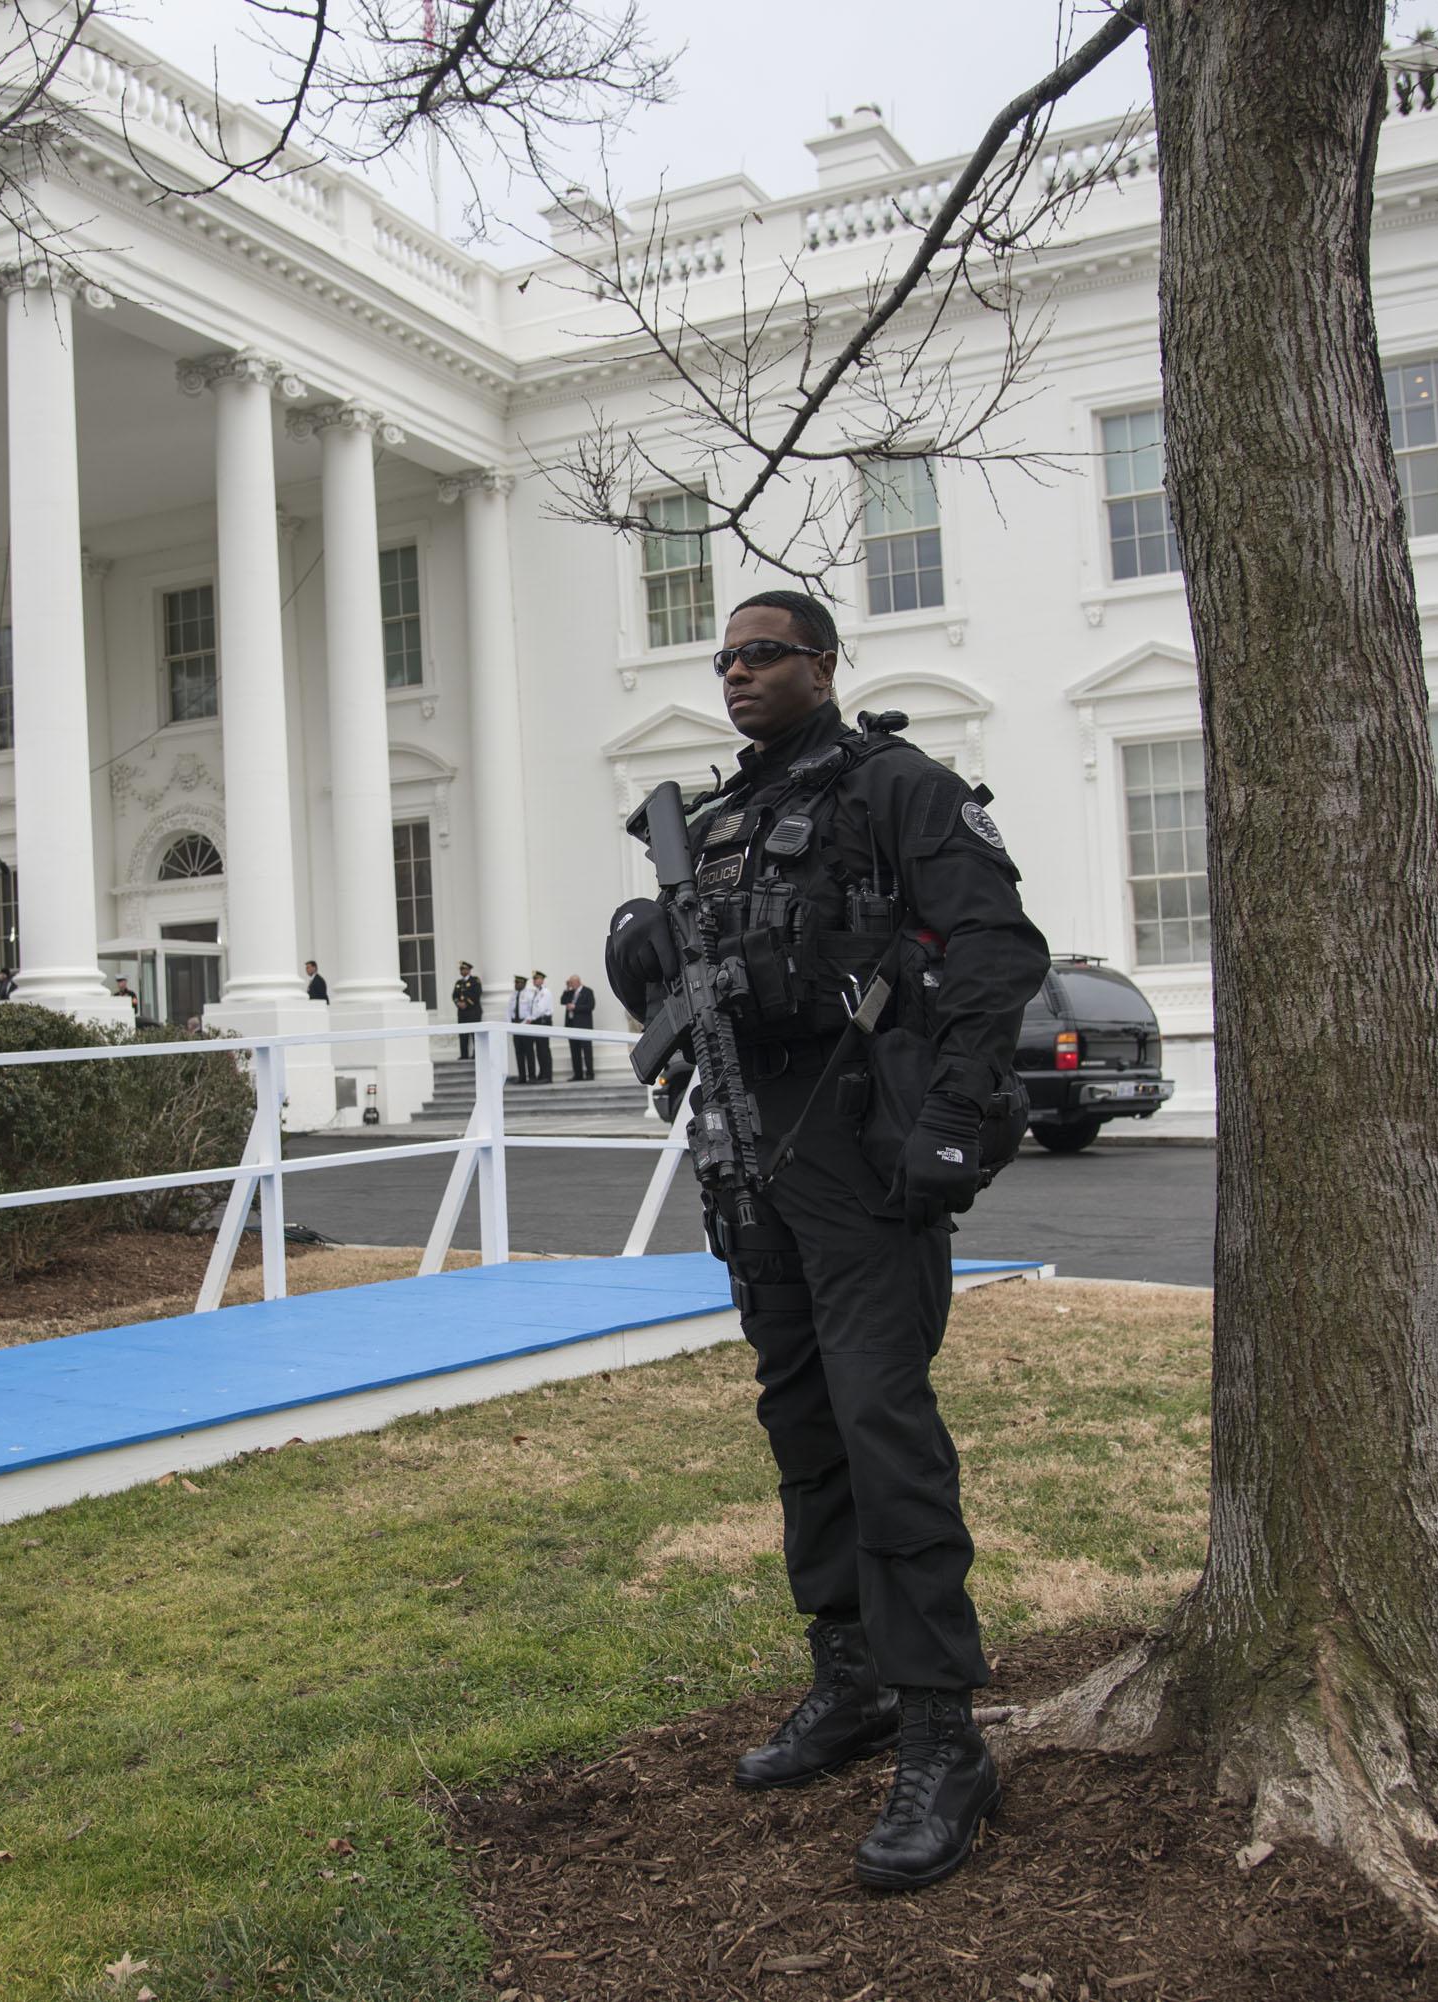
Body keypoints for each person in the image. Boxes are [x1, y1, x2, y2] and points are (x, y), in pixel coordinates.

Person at [602, 587, 1047, 1895]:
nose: (738, 672)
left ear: (823, 664)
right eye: (725, 656)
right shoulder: (718, 820)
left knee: (882, 1428)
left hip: (861, 1148)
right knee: (802, 1424)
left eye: (765, 653)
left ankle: (942, 1737)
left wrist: (956, 1111)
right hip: (751, 1151)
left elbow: (994, 946)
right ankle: (846, 1680)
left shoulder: (898, 786)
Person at [560, 973, 598, 1080]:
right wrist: (567, 988)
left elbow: (590, 1006)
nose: (571, 985)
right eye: (570, 983)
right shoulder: (570, 992)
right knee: (574, 1051)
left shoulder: (588, 991)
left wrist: (575, 1007)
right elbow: (562, 1001)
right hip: (571, 1026)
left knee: (586, 1051)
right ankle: (578, 1074)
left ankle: (590, 1074)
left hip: (584, 1026)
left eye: (571, 983)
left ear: (577, 981)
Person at [450, 960, 484, 1062]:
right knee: (462, 1033)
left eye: (464, 969)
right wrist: (458, 1003)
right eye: (461, 969)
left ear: (469, 970)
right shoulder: (458, 983)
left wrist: (466, 1003)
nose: (462, 971)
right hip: (462, 1012)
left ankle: (476, 1054)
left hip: (473, 1011)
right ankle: (464, 1054)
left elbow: (477, 994)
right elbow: (454, 995)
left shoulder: (475, 980)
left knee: (474, 1034)